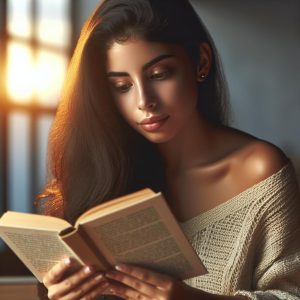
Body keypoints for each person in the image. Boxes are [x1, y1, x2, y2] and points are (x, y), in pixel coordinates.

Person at [37, 0, 300, 299]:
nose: (143, 101)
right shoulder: (108, 171)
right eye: (122, 86)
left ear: (201, 62)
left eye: (159, 74)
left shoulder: (260, 171)